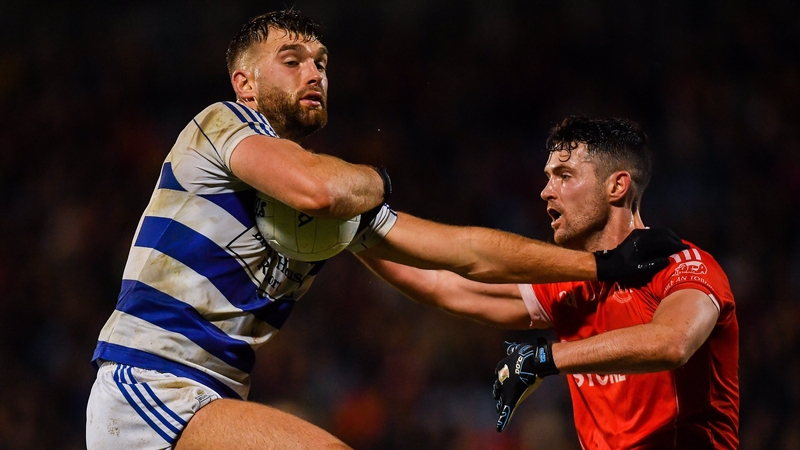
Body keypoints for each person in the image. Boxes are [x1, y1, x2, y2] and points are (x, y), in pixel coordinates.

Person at [85, 10, 687, 450]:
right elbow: (321, 190)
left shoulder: (332, 198)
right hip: (150, 384)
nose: (313, 73)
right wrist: (380, 179)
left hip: (210, 399)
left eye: (321, 63)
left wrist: (605, 266)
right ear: (245, 83)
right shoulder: (221, 125)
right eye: (291, 62)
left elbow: (465, 256)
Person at [358, 116, 739, 449]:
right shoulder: (571, 282)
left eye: (564, 175)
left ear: (616, 187)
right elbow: (444, 286)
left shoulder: (683, 265)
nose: (546, 191)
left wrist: (545, 358)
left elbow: (672, 341)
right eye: (547, 177)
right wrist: (350, 233)